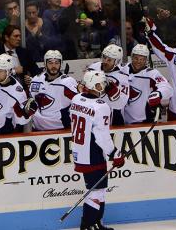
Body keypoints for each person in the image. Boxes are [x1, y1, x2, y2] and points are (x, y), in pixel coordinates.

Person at [70, 70, 123, 230]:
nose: (104, 87)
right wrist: (115, 154)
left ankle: (96, 223)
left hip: (80, 151)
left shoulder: (76, 98)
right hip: (93, 154)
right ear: (93, 85)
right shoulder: (101, 107)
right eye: (101, 84)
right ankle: (88, 225)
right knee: (95, 192)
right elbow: (102, 137)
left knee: (99, 190)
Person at [123, 44, 173, 124]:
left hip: (143, 122)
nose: (138, 61)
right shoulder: (122, 71)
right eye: (136, 58)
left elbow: (167, 88)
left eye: (142, 59)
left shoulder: (151, 74)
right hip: (123, 122)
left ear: (146, 60)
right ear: (131, 57)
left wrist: (159, 93)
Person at [29, 50, 79, 131]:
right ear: (45, 64)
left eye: (56, 63)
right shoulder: (36, 80)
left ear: (61, 64)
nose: (54, 66)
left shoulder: (68, 82)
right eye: (50, 63)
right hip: (38, 129)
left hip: (60, 128)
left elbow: (79, 103)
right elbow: (32, 102)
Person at [86, 44, 130, 125]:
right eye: (104, 57)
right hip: (92, 114)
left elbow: (121, 104)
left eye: (109, 60)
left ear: (116, 62)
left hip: (112, 117)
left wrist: (114, 93)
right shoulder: (94, 67)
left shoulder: (122, 78)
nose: (105, 61)